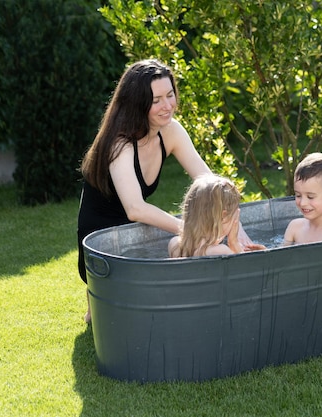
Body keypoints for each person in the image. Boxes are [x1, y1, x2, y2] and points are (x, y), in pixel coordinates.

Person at [77, 59, 250, 323]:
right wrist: (189, 229)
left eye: (170, 95)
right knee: (110, 319)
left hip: (139, 226)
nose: (167, 105)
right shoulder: (119, 144)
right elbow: (135, 208)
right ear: (138, 102)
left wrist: (238, 228)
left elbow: (207, 180)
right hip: (101, 235)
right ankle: (96, 295)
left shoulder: (169, 131)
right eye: (156, 100)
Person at [168, 174, 266, 258]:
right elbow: (245, 272)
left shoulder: (175, 245)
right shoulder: (221, 251)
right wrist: (234, 243)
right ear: (223, 216)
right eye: (235, 215)